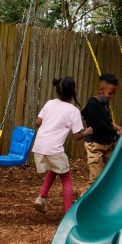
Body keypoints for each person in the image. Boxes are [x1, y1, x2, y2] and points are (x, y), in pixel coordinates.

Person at [32, 76, 92, 214]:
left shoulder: (50, 103)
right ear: (73, 91)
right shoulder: (73, 111)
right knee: (66, 177)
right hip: (54, 149)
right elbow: (77, 136)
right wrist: (87, 131)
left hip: (39, 146)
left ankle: (41, 198)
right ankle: (68, 211)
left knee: (54, 169)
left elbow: (38, 122)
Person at [81, 73, 122, 185]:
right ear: (100, 90)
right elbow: (98, 125)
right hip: (95, 146)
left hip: (107, 145)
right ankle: (88, 200)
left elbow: (105, 120)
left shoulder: (104, 103)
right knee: (96, 178)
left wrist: (113, 124)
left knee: (111, 173)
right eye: (110, 93)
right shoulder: (92, 104)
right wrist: (115, 132)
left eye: (114, 94)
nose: (112, 96)